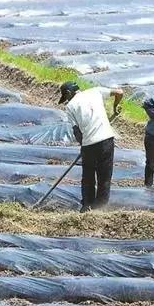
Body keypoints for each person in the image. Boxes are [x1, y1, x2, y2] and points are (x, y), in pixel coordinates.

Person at [59, 81, 124, 213]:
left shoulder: (71, 106)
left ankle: (87, 206)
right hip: (106, 139)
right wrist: (115, 107)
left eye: (66, 97)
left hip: (89, 144)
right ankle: (101, 207)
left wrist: (83, 145)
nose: (67, 100)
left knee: (88, 177)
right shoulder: (95, 91)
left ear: (69, 93)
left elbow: (77, 131)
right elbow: (120, 92)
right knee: (104, 176)